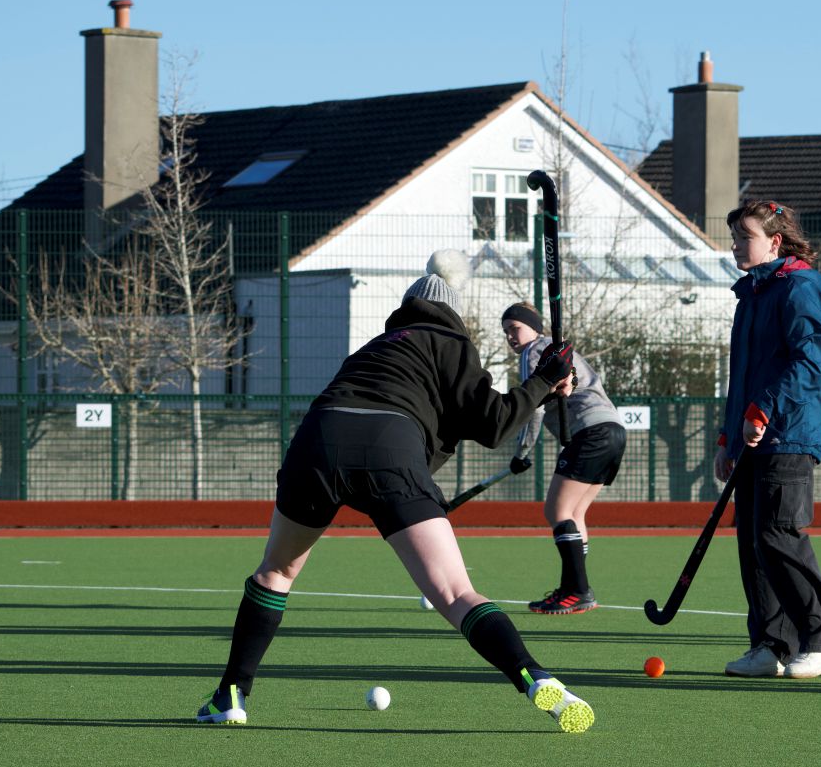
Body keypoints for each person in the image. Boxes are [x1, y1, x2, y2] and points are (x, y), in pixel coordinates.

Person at [195, 249, 595, 732]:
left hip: (316, 442)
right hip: (390, 449)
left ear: (405, 308)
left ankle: (231, 697)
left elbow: (434, 422)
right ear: (454, 315)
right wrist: (545, 379)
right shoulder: (452, 344)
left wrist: (543, 387)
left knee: (275, 573)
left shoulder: (376, 346)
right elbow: (492, 424)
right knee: (454, 592)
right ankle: (535, 677)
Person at [717, 200, 821, 679]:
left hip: (788, 435)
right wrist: (727, 437)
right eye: (734, 237)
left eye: (744, 236)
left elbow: (812, 361)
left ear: (774, 241)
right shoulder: (752, 293)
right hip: (752, 437)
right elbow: (744, 375)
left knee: (778, 533)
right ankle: (771, 645)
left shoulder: (799, 287)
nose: (735, 245)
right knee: (752, 539)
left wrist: (765, 408)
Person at [500, 301, 626, 615]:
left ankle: (578, 590)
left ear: (533, 327)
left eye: (514, 328)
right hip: (613, 429)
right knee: (575, 512)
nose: (511, 337)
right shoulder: (555, 350)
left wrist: (522, 453)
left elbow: (533, 406)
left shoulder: (535, 351)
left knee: (556, 509)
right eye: (506, 332)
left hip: (591, 431)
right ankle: (575, 590)